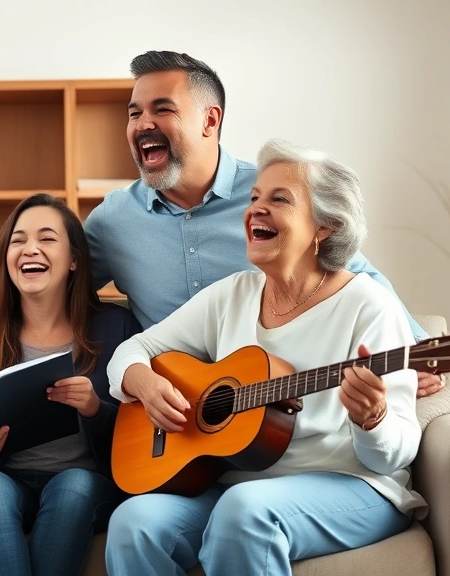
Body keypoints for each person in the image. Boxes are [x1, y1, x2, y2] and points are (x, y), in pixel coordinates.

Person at [0, 51, 444, 398]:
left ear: (210, 121)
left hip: (270, 402)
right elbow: (64, 272)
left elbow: (353, 273)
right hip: (175, 417)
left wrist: (416, 347)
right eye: (134, 113)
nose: (142, 124)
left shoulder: (271, 197)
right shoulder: (115, 218)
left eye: (162, 109)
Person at [104, 138, 426, 576]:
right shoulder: (232, 295)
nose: (256, 209)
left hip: (352, 484)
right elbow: (132, 350)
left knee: (244, 509)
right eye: (254, 197)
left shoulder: (369, 305)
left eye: (279, 199)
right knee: (133, 523)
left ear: (325, 226)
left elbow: (394, 455)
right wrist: (144, 382)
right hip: (241, 484)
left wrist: (373, 419)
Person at [0, 194, 139, 576]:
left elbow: (139, 436)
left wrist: (95, 410)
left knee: (74, 487)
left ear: (74, 259)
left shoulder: (117, 326)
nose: (30, 248)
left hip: (84, 480)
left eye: (47, 238)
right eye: (18, 241)